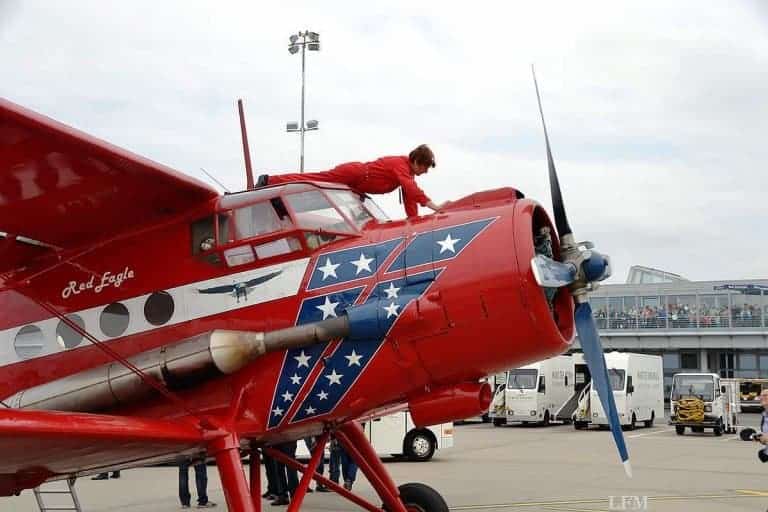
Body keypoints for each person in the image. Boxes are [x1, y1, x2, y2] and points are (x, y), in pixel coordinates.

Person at [258, 144, 444, 218]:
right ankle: (270, 181)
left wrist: (415, 222)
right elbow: (412, 190)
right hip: (352, 174)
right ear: (417, 161)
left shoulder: (406, 174)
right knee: (314, 180)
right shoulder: (401, 166)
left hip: (355, 185)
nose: (426, 172)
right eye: (425, 167)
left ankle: (282, 203)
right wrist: (434, 206)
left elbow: (411, 199)